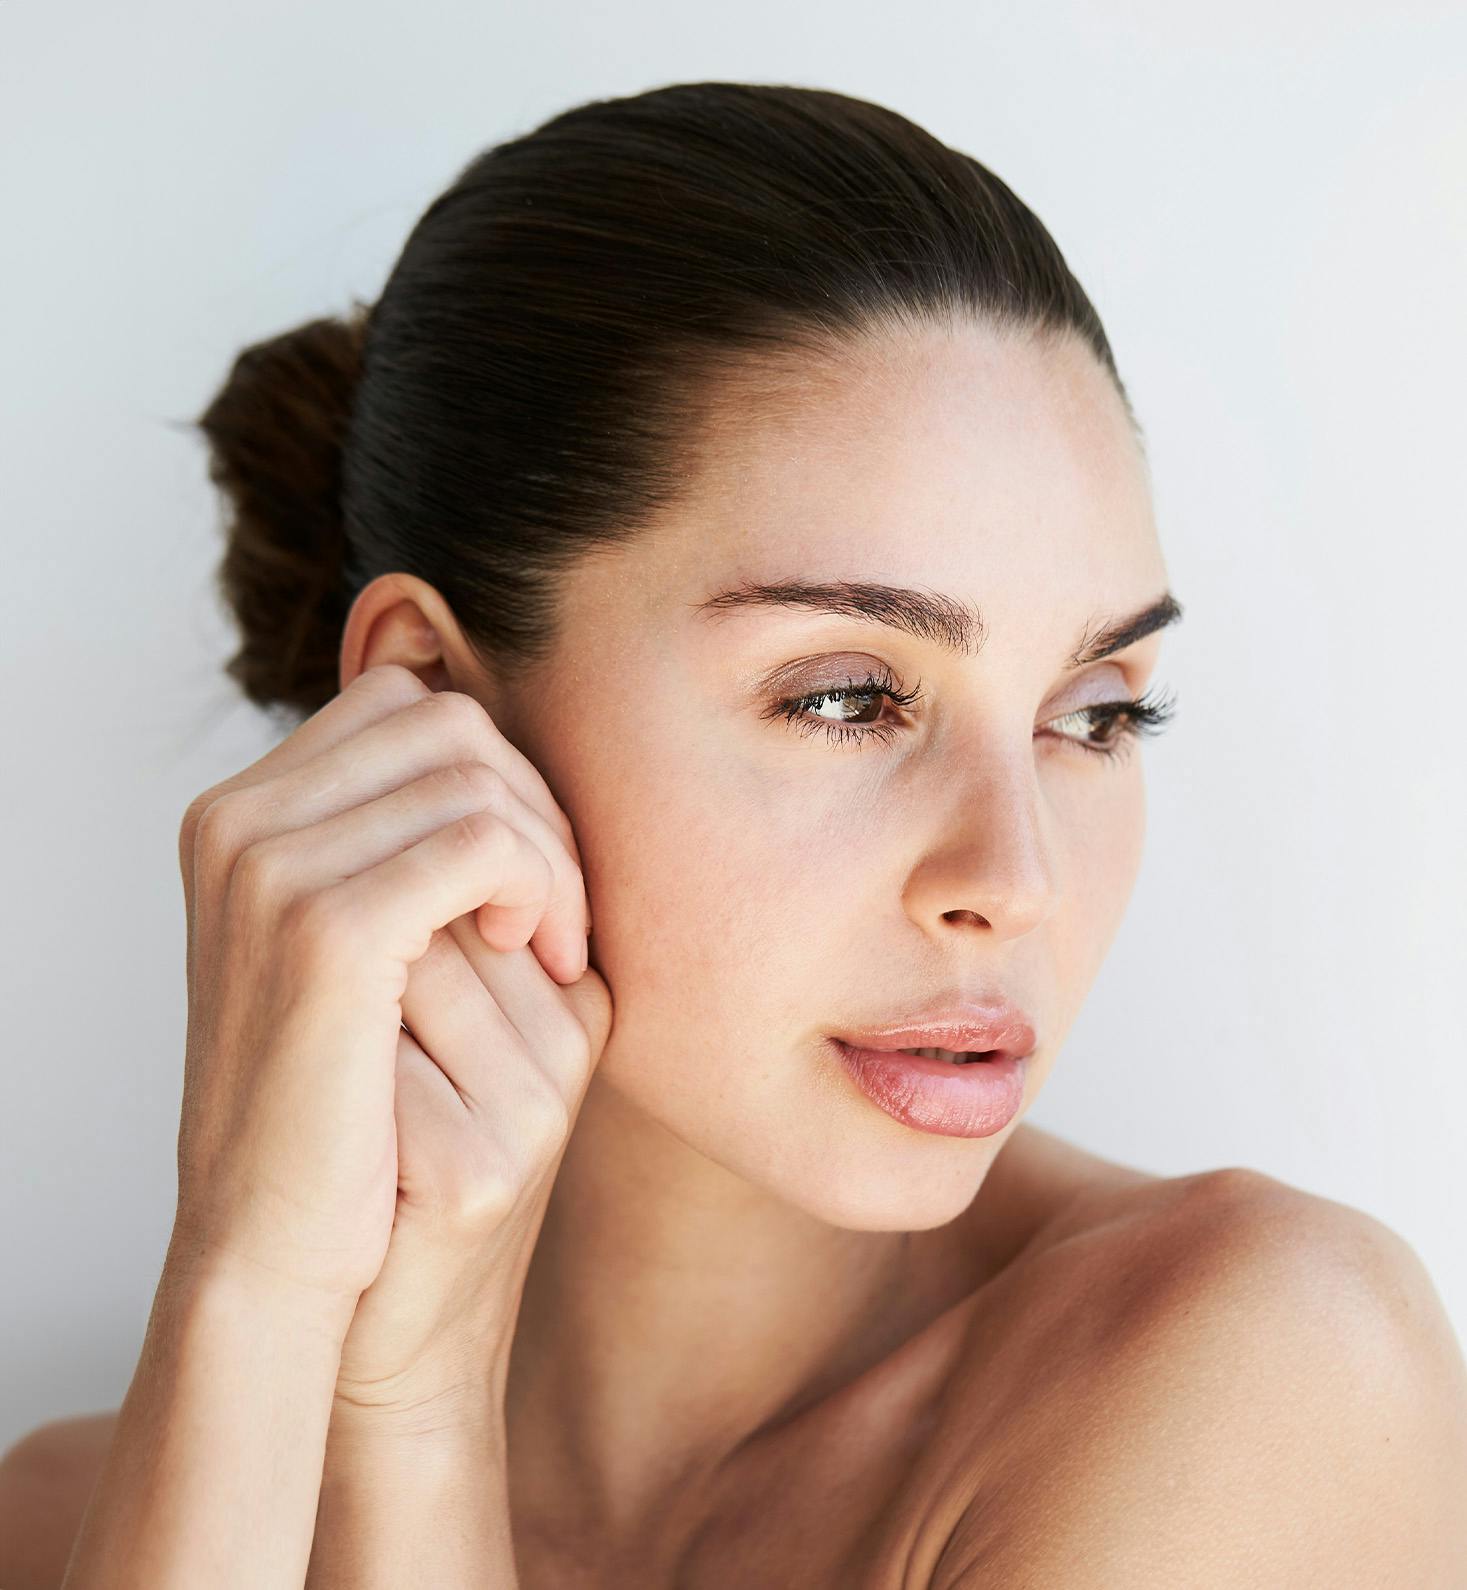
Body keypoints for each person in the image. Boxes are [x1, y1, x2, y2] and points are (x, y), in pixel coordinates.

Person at [3, 80, 1464, 1590]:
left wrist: (416, 1422)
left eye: (1095, 713)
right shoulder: (80, 1520)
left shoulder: (1259, 1377)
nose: (1013, 882)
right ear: (434, 700)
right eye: (848, 697)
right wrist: (250, 1282)